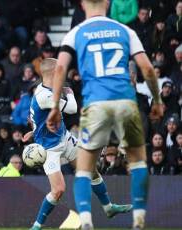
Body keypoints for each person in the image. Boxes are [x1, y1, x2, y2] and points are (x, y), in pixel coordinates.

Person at [46, 1, 164, 229]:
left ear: (82, 4)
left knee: (84, 167)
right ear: (108, 3)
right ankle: (139, 219)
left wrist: (54, 106)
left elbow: (60, 69)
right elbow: (148, 69)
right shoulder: (125, 31)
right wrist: (157, 101)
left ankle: (87, 221)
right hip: (126, 102)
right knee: (138, 162)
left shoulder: (76, 32)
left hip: (96, 104)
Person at [23, 58, 131, 230]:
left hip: (64, 138)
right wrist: (70, 92)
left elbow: (39, 118)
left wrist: (34, 130)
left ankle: (109, 208)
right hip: (49, 149)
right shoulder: (44, 95)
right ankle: (36, 226)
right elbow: (72, 108)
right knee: (58, 190)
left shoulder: (50, 90)